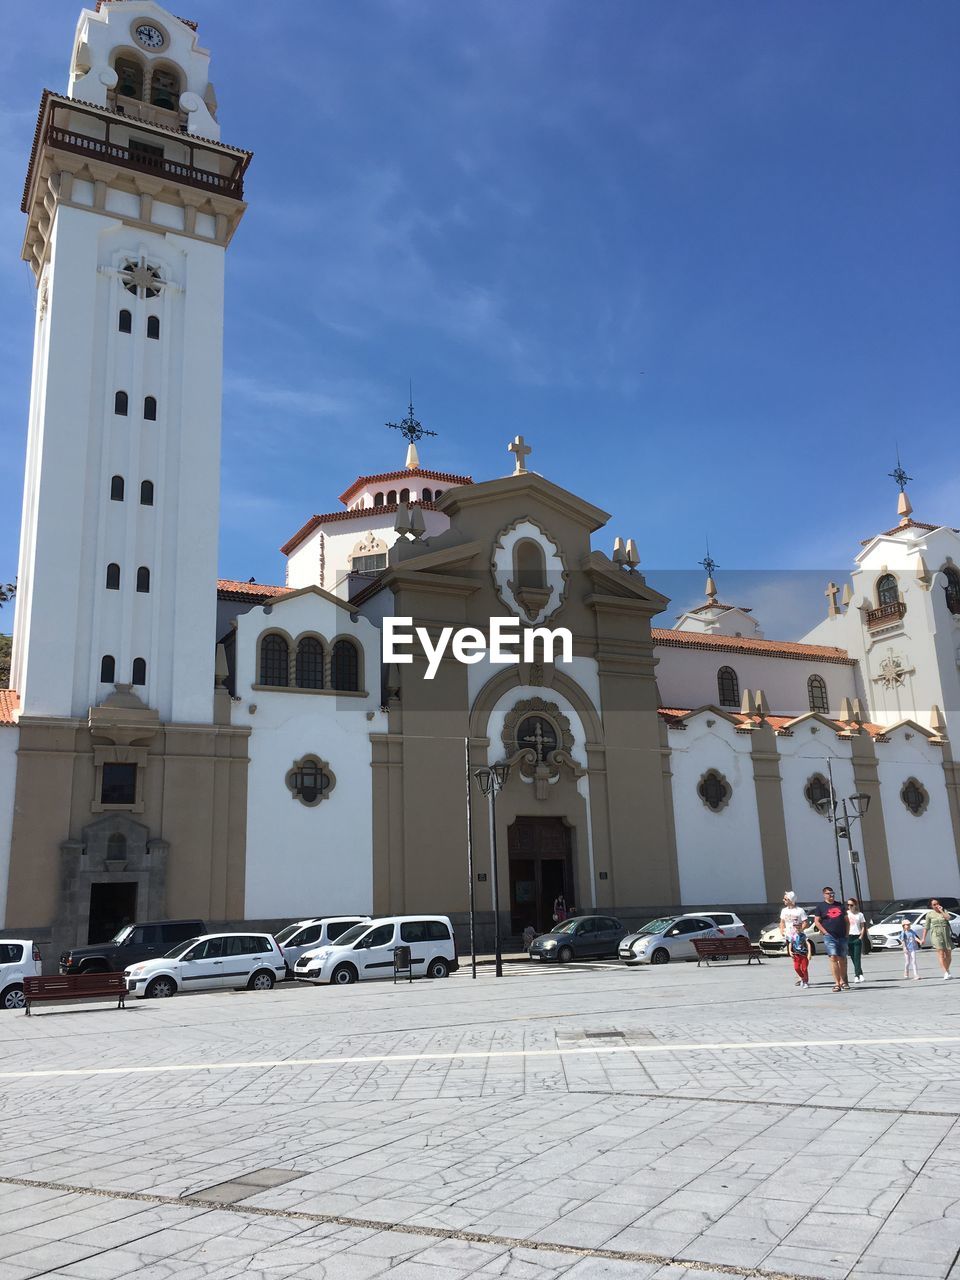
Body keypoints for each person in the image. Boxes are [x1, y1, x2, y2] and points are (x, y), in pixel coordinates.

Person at [812, 885, 849, 992]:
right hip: (830, 936)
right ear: (824, 895)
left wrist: (847, 933)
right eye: (829, 893)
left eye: (832, 893)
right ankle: (837, 983)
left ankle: (844, 981)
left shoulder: (840, 906)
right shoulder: (820, 907)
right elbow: (817, 921)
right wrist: (825, 932)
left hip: (842, 935)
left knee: (842, 959)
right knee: (833, 957)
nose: (831, 895)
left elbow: (846, 921)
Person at [919, 899, 953, 980]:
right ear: (931, 906)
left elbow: (948, 918)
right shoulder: (929, 914)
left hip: (946, 934)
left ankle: (947, 970)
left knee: (948, 954)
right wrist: (923, 938)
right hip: (936, 935)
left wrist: (941, 911)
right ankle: (945, 972)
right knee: (941, 954)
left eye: (937, 903)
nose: (936, 905)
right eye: (934, 904)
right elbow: (926, 927)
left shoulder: (944, 911)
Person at [847, 896, 867, 983]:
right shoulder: (846, 914)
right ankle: (860, 973)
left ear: (855, 905)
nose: (849, 907)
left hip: (856, 937)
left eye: (851, 905)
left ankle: (857, 975)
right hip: (849, 937)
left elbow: (863, 927)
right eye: (848, 905)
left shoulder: (860, 915)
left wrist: (860, 937)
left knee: (857, 957)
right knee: (852, 957)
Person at [899, 916, 922, 980]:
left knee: (914, 961)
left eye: (909, 924)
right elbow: (903, 940)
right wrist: (904, 948)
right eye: (907, 925)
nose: (909, 926)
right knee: (907, 962)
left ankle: (916, 974)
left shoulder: (912, 931)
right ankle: (906, 971)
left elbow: (915, 937)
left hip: (913, 948)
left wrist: (920, 941)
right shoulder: (903, 932)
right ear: (903, 926)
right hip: (907, 949)